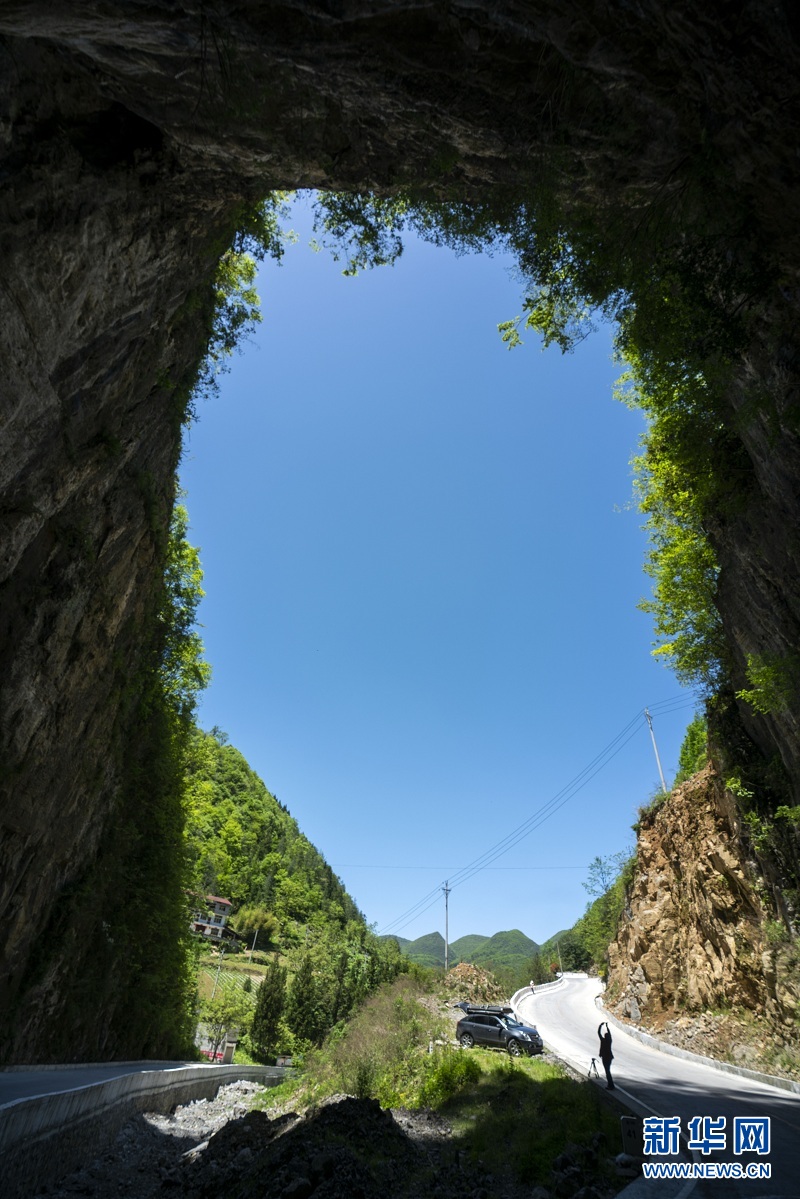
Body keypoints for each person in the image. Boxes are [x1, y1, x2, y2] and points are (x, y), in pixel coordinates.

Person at [598, 1022, 614, 1089]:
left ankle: (610, 1085)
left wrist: (600, 1026)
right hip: (609, 1057)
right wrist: (607, 1027)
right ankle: (610, 1084)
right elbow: (610, 1034)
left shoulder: (603, 1040)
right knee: (608, 1071)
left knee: (607, 1071)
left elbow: (598, 1033)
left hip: (605, 1057)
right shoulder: (609, 1041)